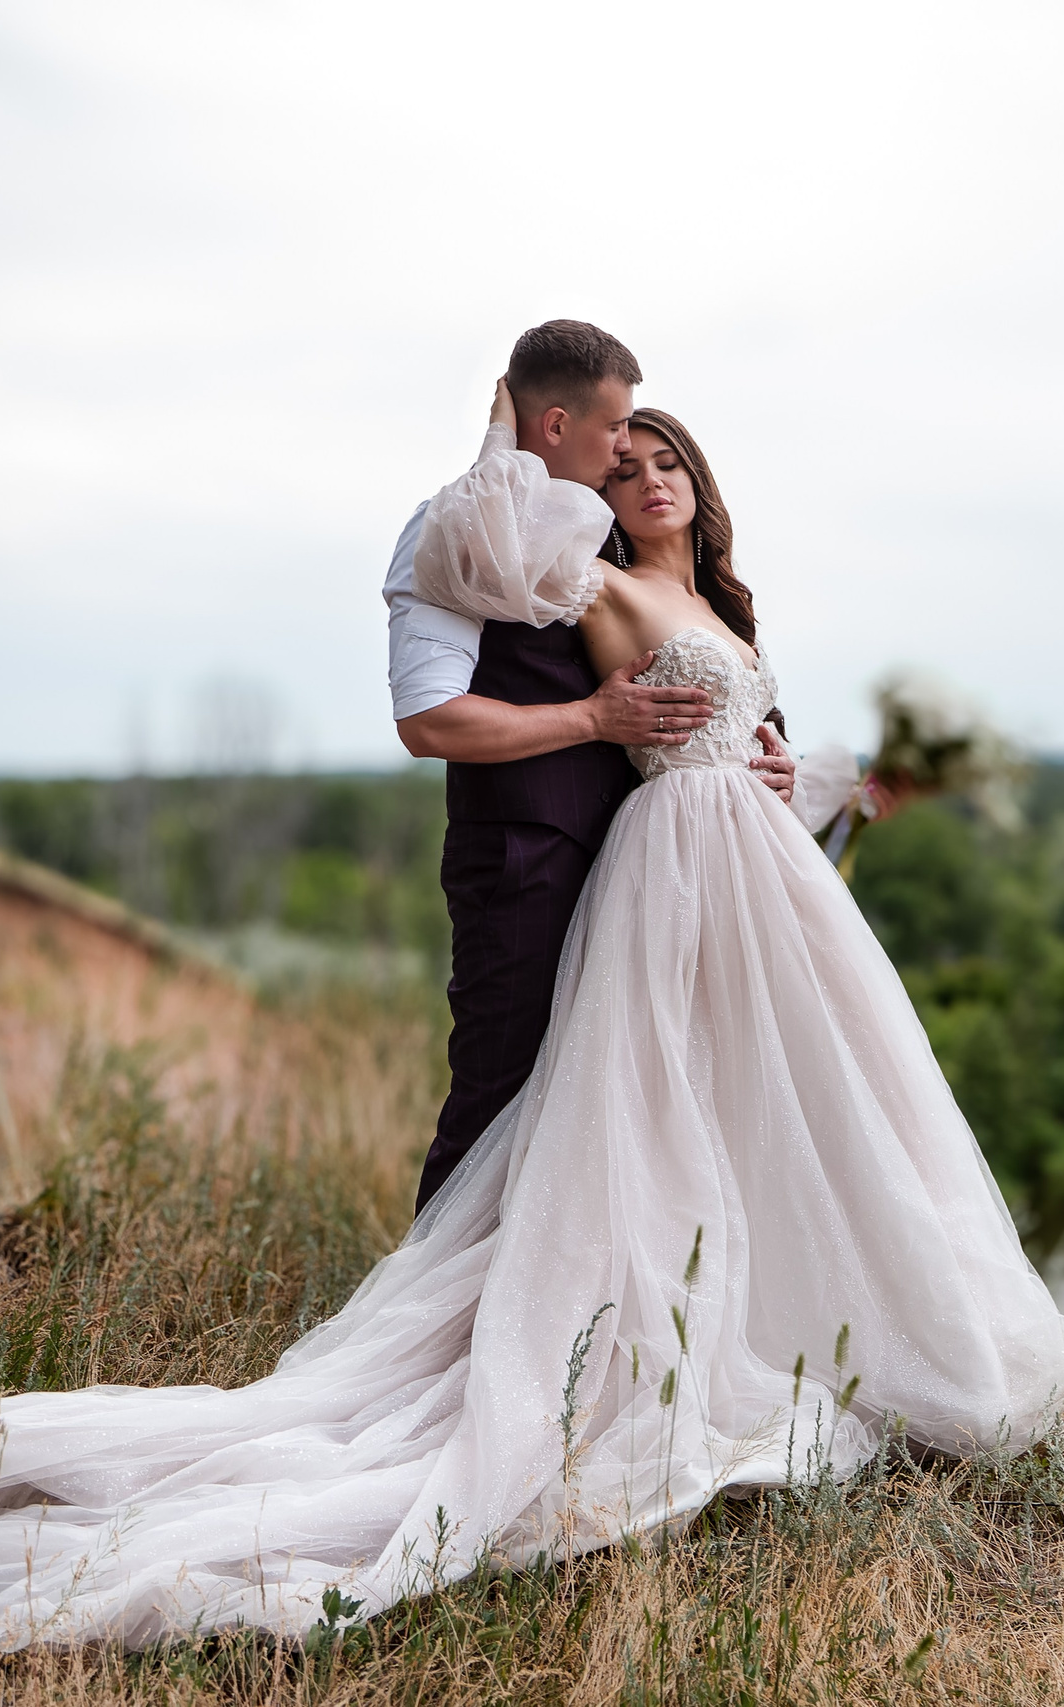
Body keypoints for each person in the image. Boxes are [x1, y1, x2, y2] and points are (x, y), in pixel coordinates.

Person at [0, 361, 1064, 1653]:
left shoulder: (729, 610)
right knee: (637, 1110)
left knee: (792, 1102)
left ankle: (815, 1316)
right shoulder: (599, 583)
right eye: (623, 459)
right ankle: (531, 1349)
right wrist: (512, 426)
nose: (646, 475)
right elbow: (489, 548)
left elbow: (744, 744)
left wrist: (812, 768)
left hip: (751, 866)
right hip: (675, 867)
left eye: (666, 454)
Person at [381, 322, 795, 1214]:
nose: (631, 456)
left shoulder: (606, 549)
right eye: (617, 438)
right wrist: (592, 718)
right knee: (501, 1099)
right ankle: (440, 1325)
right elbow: (425, 719)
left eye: (656, 455)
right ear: (559, 423)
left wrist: (768, 750)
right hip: (526, 860)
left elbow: (705, 666)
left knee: (649, 1107)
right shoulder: (462, 534)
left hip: (651, 871)